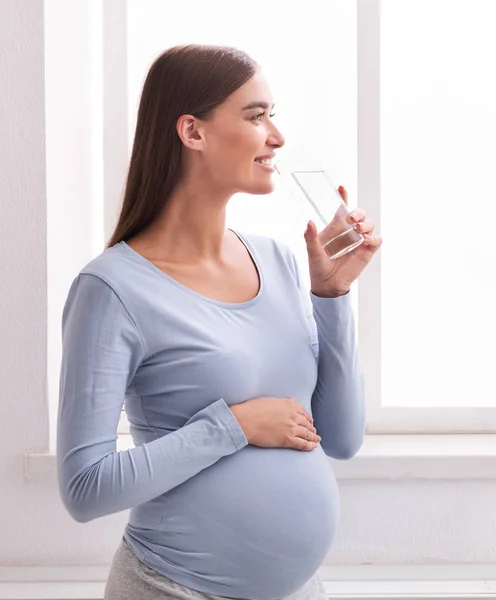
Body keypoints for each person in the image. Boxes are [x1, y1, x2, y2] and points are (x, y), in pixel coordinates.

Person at [56, 44, 382, 600]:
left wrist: (332, 294)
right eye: (256, 116)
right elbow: (85, 490)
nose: (276, 137)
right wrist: (231, 427)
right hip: (171, 589)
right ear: (193, 132)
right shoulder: (112, 289)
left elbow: (343, 438)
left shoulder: (280, 262)